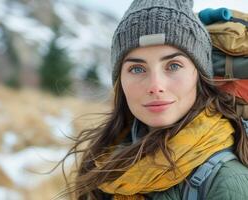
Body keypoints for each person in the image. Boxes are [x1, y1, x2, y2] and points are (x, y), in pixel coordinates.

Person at [59, 0, 248, 199]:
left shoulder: (227, 183)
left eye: (173, 65)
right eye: (137, 69)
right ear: (120, 82)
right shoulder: (105, 162)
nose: (155, 86)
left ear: (199, 75)